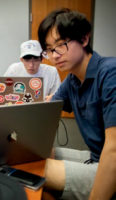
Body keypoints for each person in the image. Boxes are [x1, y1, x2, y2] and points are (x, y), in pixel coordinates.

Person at [38, 8, 116, 200]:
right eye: (49, 49)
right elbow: (49, 111)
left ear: (84, 39)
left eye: (61, 45)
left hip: (110, 161)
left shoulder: (110, 73)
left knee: (33, 171)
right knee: (30, 162)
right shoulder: (72, 80)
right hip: (96, 156)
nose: (54, 55)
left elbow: (114, 151)